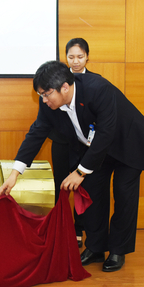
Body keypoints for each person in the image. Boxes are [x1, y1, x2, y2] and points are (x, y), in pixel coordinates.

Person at [0, 60, 144, 272]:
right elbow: (36, 133)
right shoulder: (50, 104)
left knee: (123, 194)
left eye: (46, 94)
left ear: (65, 87)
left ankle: (118, 250)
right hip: (96, 150)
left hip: (129, 144)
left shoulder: (98, 89)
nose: (44, 100)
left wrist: (80, 171)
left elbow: (106, 133)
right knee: (93, 194)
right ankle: (96, 247)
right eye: (41, 95)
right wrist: (14, 174)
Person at [55, 38, 93, 247]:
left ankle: (79, 229)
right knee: (60, 185)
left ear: (87, 57)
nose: (75, 61)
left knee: (82, 187)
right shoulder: (58, 81)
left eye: (80, 57)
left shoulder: (95, 83)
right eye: (71, 57)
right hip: (63, 143)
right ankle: (61, 228)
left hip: (86, 146)